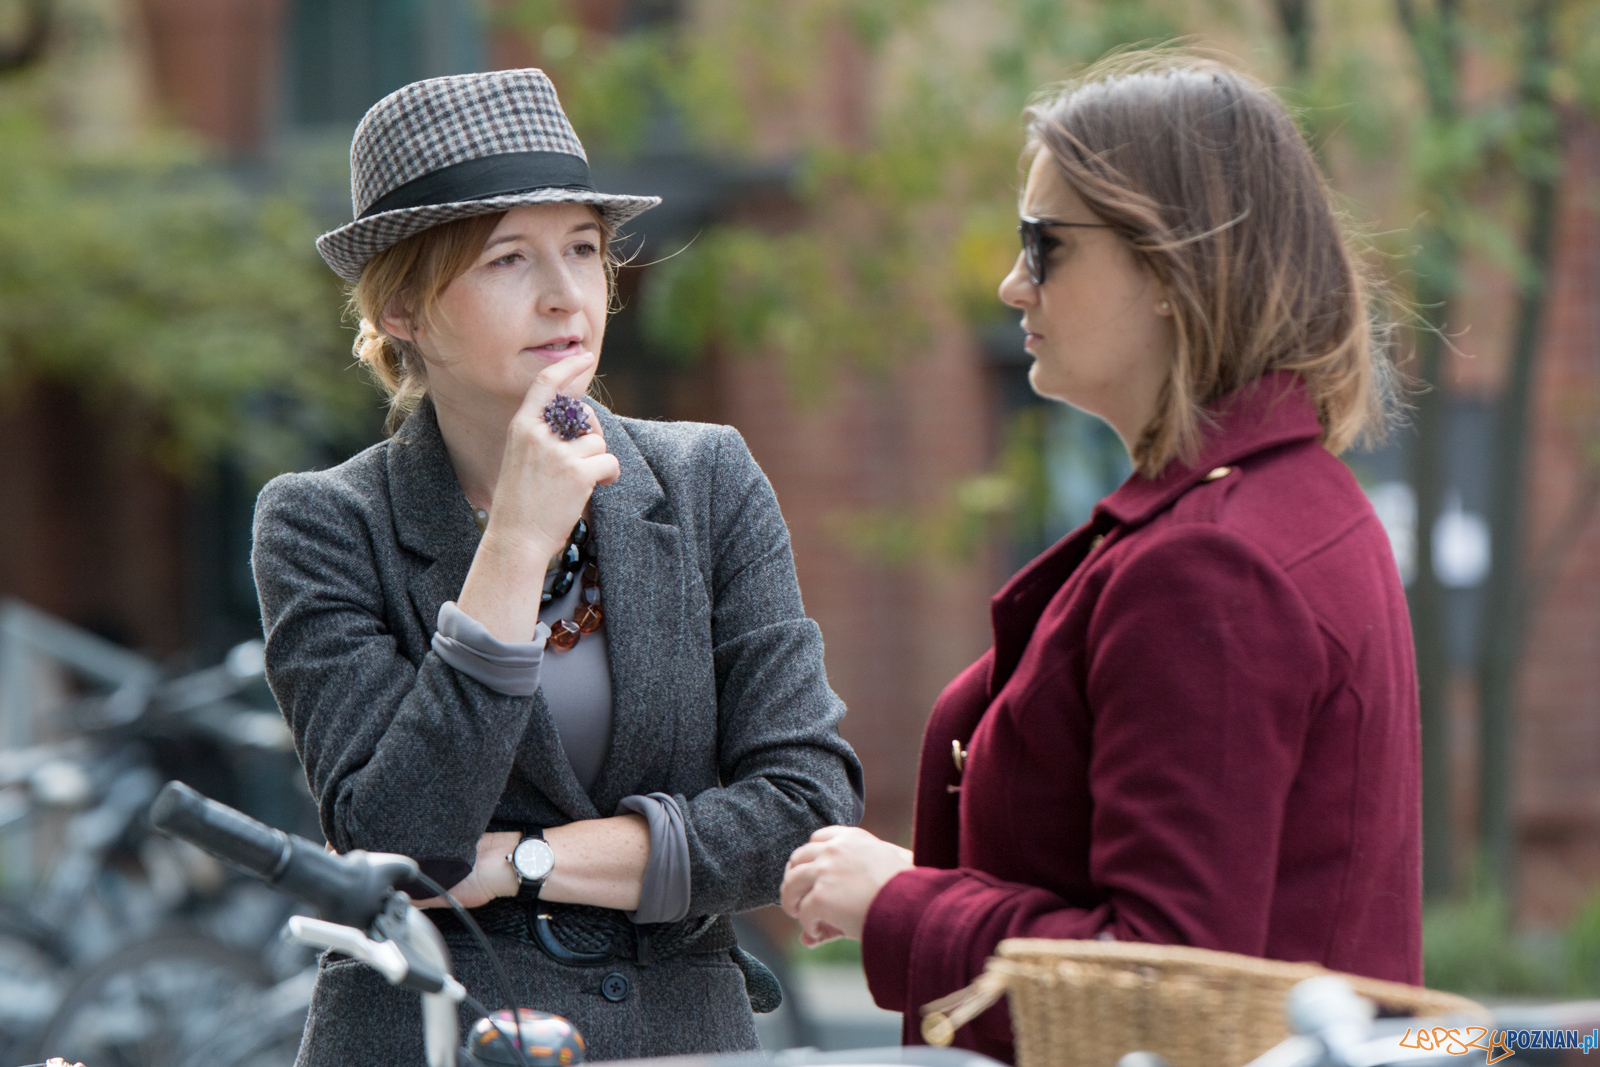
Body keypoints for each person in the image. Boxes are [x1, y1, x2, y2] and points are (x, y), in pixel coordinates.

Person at [780, 53, 1419, 1063]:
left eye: (1045, 245)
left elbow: (1162, 987)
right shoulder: (1277, 504)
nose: (1010, 281)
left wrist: (902, 904)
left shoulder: (1214, 564)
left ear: (1170, 264)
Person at [252, 69, 863, 1065]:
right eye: (506, 259)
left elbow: (802, 806)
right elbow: (398, 843)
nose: (564, 293)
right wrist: (517, 543)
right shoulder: (323, 522)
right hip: (430, 1033)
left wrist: (520, 860)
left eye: (582, 247)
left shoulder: (707, 479)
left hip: (679, 1038)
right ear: (401, 304)